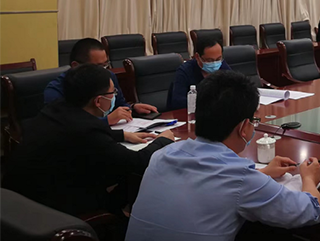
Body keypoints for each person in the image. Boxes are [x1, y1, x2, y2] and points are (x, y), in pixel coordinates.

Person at [125, 71, 320, 241]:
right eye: (253, 121)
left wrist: (263, 173)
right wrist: (309, 179)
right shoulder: (240, 176)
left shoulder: (162, 155)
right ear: (243, 127)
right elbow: (310, 211)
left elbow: (209, 184)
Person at [2, 64, 174, 216]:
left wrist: (123, 135)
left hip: (17, 200)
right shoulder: (87, 129)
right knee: (130, 176)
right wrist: (163, 140)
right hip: (50, 211)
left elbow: (74, 134)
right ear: (98, 101)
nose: (114, 97)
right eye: (112, 93)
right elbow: (137, 162)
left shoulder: (57, 109)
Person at [44, 38, 157, 126]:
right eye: (97, 66)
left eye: (105, 65)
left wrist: (132, 108)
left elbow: (119, 104)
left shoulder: (109, 77)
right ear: (76, 66)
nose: (103, 71)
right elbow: (64, 125)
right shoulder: (56, 90)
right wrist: (105, 121)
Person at [168, 37, 231, 110]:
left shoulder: (223, 66)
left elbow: (236, 90)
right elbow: (178, 102)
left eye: (218, 59)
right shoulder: (184, 71)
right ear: (197, 57)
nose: (214, 63)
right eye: (209, 60)